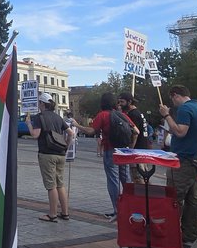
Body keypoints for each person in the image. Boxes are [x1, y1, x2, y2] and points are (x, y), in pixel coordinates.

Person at [158, 85, 197, 244]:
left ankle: (167, 235)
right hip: (196, 159)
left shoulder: (185, 109)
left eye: (172, 99)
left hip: (183, 160)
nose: (172, 103)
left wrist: (167, 115)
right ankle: (190, 234)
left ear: (175, 95)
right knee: (193, 200)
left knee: (174, 197)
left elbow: (180, 131)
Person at [73, 92, 135, 219]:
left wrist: (77, 125)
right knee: (126, 180)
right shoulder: (122, 115)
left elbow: (91, 131)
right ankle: (130, 208)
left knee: (113, 181)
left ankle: (118, 211)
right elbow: (136, 131)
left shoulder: (102, 115)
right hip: (124, 151)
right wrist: (131, 148)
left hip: (110, 150)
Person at [28, 94, 73, 222]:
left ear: (42, 104)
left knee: (51, 185)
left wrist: (29, 124)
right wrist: (66, 147)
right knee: (60, 184)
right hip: (60, 154)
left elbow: (35, 135)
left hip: (47, 154)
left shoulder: (39, 117)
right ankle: (65, 213)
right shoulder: (58, 117)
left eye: (39, 103)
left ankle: (52, 214)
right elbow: (71, 133)